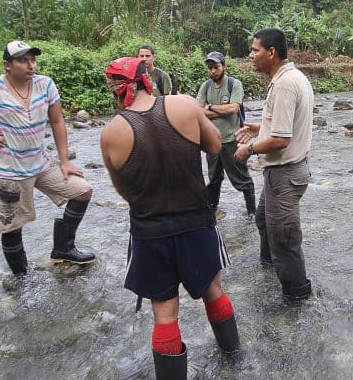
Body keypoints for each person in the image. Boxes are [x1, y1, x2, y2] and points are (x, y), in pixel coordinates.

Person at [100, 57, 239, 379]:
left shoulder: (111, 133)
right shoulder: (184, 105)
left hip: (149, 232)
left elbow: (125, 191)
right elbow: (215, 146)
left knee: (164, 313)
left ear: (116, 89)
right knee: (213, 291)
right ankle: (234, 359)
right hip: (195, 223)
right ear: (146, 78)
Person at [0, 40, 95, 276]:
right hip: (6, 170)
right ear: (7, 65)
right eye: (23, 60)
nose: (31, 65)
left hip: (40, 163)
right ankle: (21, 277)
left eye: (33, 60)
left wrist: (64, 161)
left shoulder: (45, 84)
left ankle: (63, 248)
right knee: (12, 226)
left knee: (82, 190)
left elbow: (57, 121)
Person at [234, 28, 314, 301]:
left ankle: (296, 296)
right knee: (263, 221)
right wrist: (260, 127)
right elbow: (282, 126)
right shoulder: (290, 77)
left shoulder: (284, 84)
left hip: (285, 174)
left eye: (255, 50)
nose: (250, 55)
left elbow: (281, 139)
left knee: (283, 237)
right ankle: (270, 274)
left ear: (271, 52)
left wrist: (249, 149)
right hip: (283, 172)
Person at [196, 51, 257, 220]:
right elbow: (197, 111)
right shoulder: (205, 86)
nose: (213, 71)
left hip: (232, 140)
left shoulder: (234, 84)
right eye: (210, 68)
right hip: (211, 141)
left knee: (242, 178)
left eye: (216, 67)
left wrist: (210, 107)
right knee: (214, 179)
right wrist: (219, 109)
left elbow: (234, 108)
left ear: (224, 66)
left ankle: (252, 212)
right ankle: (212, 210)